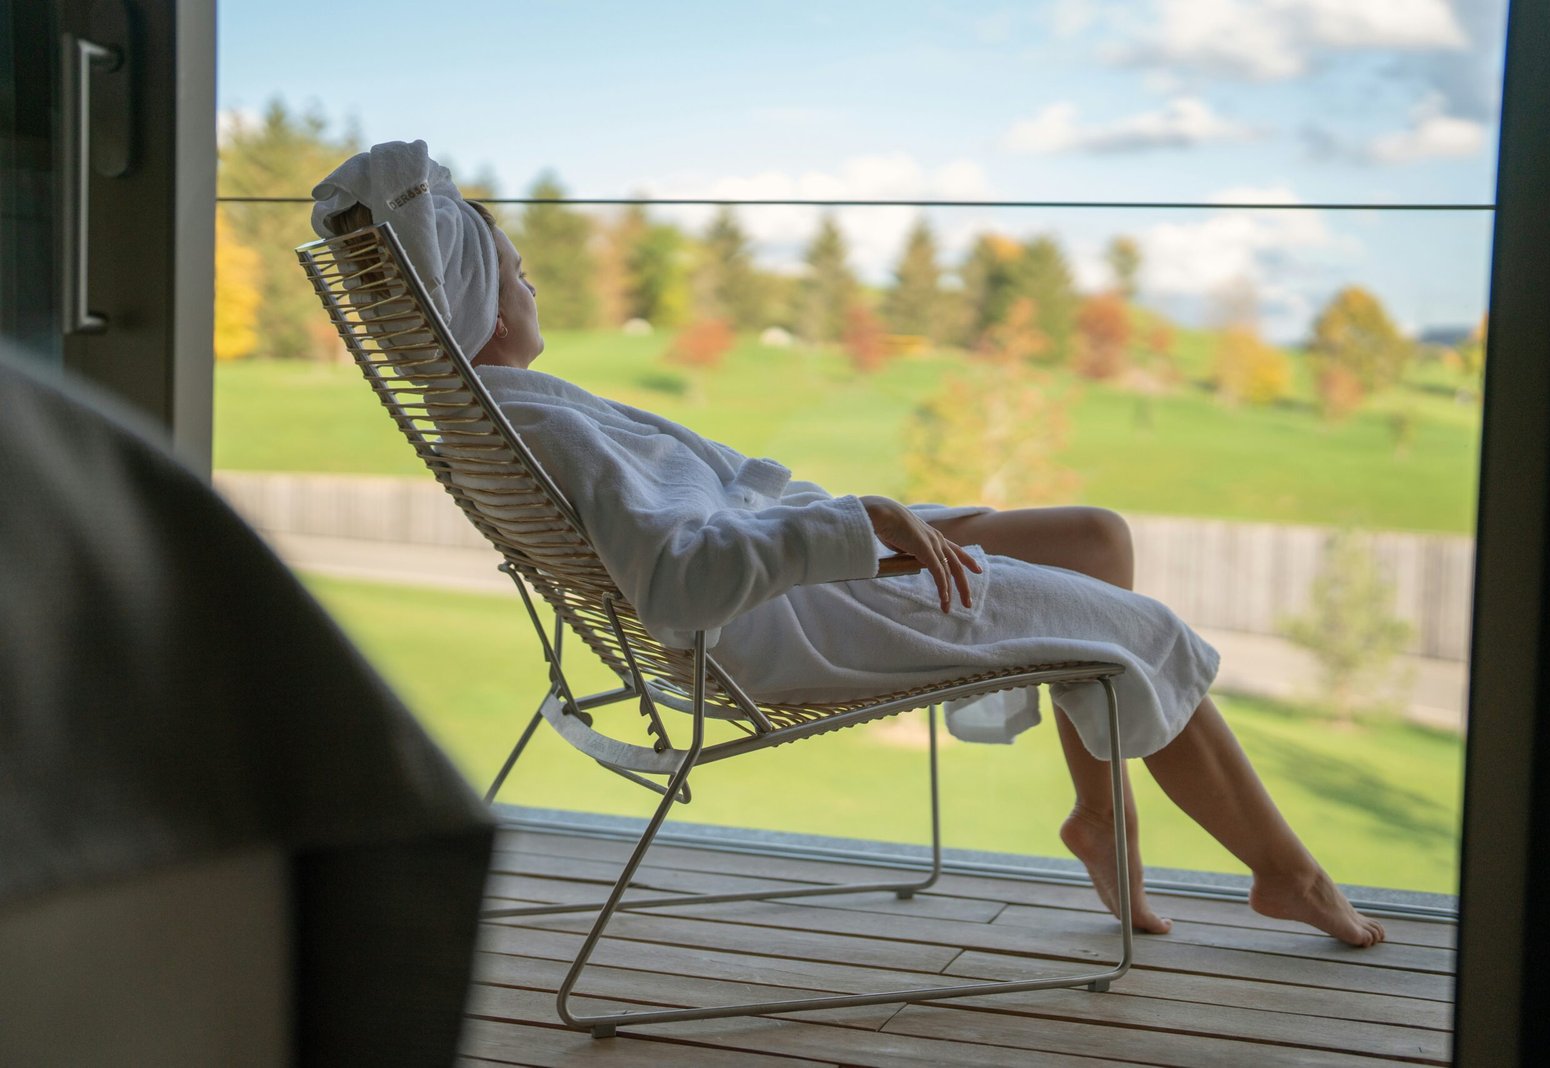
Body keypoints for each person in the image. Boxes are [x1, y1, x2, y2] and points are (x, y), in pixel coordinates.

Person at [312, 142, 1385, 947]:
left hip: (812, 568)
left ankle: (1103, 820)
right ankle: (1287, 873)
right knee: (1139, 630)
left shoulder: (505, 412)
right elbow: (678, 580)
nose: (534, 282)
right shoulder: (540, 425)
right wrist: (860, 525)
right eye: (519, 270)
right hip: (806, 615)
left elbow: (680, 539)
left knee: (1094, 541)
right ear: (477, 298)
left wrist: (854, 520)